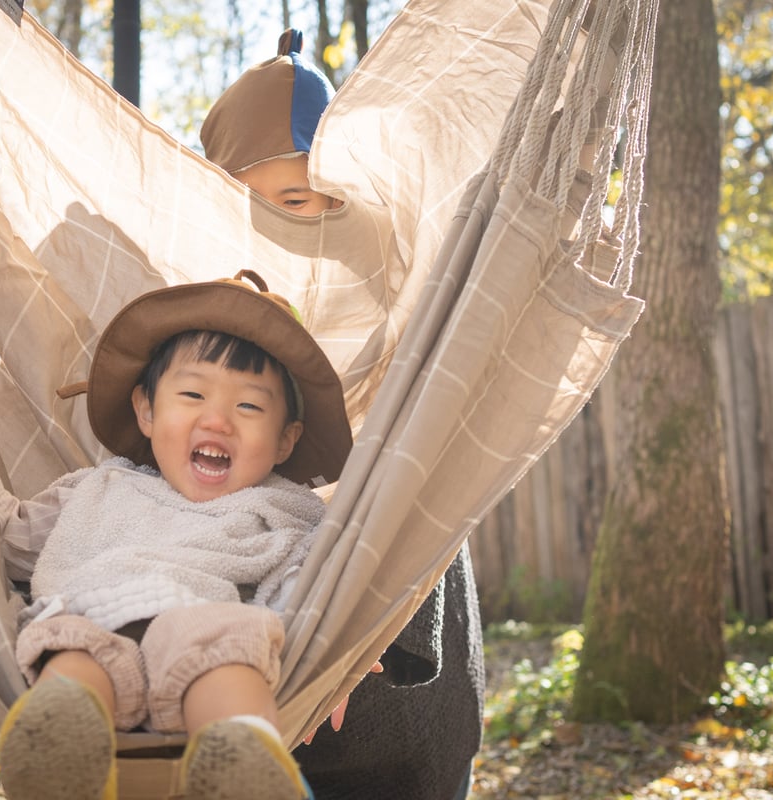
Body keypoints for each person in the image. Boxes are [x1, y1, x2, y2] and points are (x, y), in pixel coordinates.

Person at [200, 30, 486, 800]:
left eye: (313, 199)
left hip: (398, 654)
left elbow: (427, 474)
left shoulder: (394, 290)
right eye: (274, 201)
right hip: (262, 664)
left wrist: (368, 637)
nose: (298, 220)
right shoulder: (205, 307)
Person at [0, 271, 353, 800]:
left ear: (285, 440)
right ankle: (59, 755)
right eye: (191, 394)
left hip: (205, 627)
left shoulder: (279, 511)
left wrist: (336, 657)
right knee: (70, 660)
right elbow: (7, 538)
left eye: (249, 406)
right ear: (146, 410)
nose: (218, 419)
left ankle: (244, 759)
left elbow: (307, 588)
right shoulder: (98, 487)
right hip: (90, 618)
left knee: (230, 661)